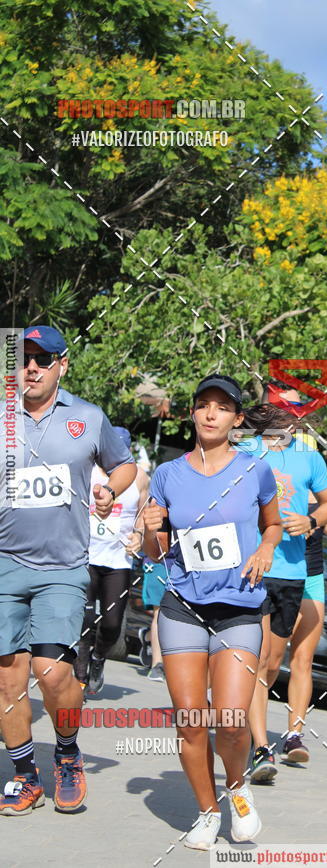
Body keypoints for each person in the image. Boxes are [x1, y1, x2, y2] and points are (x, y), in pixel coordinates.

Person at [142, 373, 282, 849]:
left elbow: (273, 524)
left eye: (221, 407)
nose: (210, 413)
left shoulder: (254, 470)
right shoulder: (167, 474)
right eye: (203, 405)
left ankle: (237, 788)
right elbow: (154, 553)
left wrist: (265, 548)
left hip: (239, 607)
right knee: (189, 717)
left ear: (236, 419)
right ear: (192, 413)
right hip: (182, 607)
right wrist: (149, 528)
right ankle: (206, 811)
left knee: (230, 718)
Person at [0, 326, 136, 816]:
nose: (31, 367)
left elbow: (125, 467)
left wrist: (110, 490)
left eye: (43, 359)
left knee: (52, 672)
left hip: (62, 565)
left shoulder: (87, 417)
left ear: (63, 365)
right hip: (3, 563)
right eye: (24, 358)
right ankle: (23, 774)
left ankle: (67, 752)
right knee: (7, 679)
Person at [239, 400, 327, 782]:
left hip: (294, 571)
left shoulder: (308, 455)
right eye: (282, 411)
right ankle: (261, 747)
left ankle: (256, 733)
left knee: (271, 662)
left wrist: (311, 519)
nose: (290, 418)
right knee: (259, 656)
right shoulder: (247, 447)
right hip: (255, 565)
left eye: (295, 413)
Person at [75, 427, 149, 695]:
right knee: (84, 619)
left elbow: (143, 512)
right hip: (87, 555)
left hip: (118, 560)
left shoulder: (139, 476)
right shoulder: (88, 471)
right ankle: (80, 676)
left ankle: (98, 659)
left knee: (111, 624)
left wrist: (139, 535)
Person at [286, 486, 327, 763]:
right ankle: (250, 728)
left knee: (303, 659)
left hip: (312, 577)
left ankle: (294, 736)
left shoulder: (326, 486)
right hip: (280, 573)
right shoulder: (276, 473)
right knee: (266, 658)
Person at [140, 556, 169, 681]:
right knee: (160, 613)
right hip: (160, 562)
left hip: (188, 565)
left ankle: (147, 636)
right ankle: (157, 664)